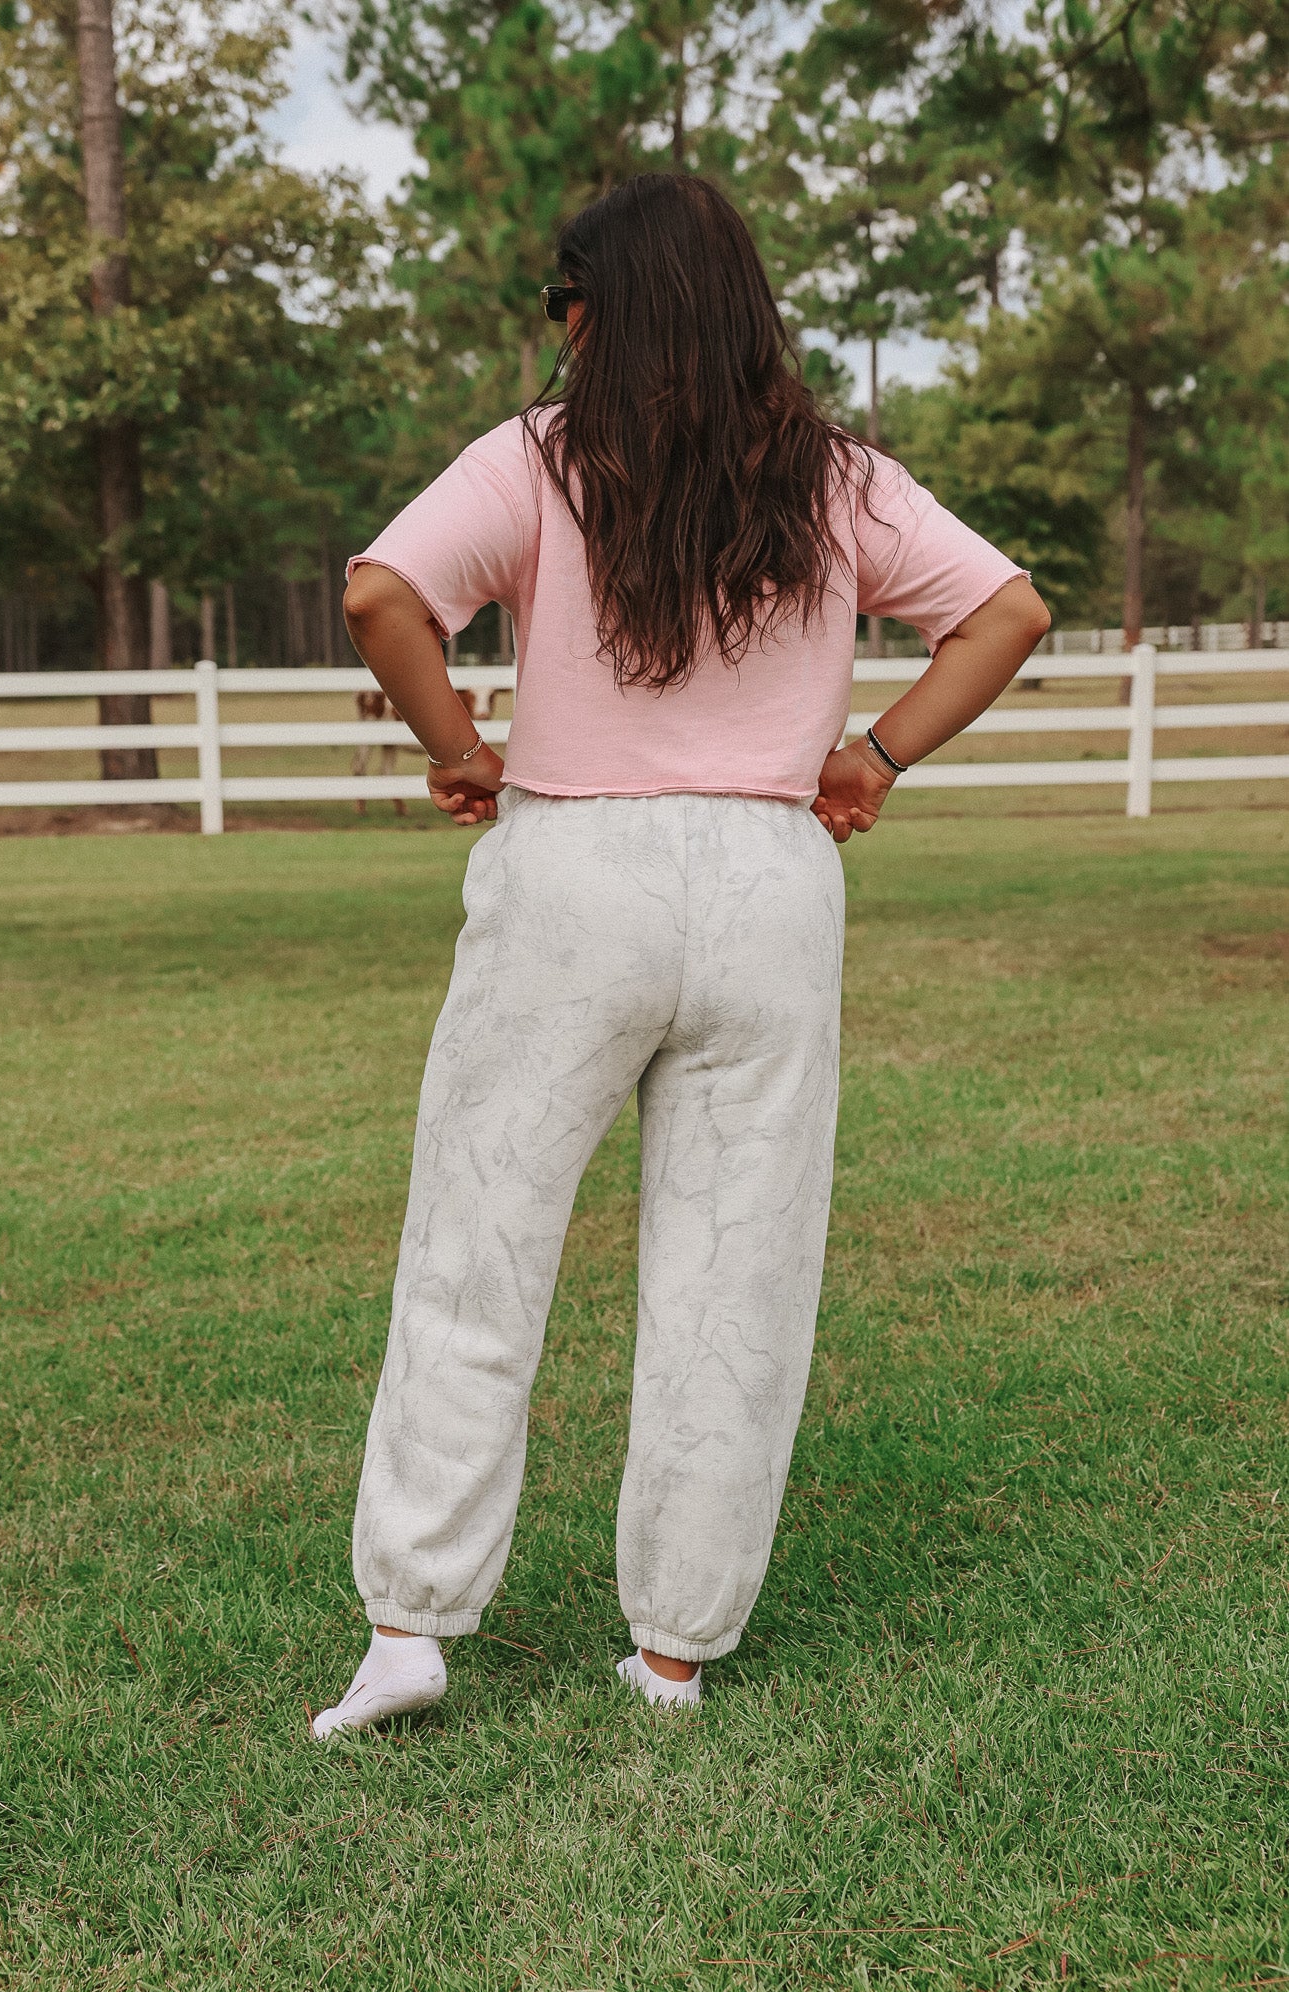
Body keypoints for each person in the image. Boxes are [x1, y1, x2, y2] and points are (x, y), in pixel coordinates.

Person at [313, 173, 1049, 1735]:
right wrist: (875, 758)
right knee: (737, 1268)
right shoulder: (835, 476)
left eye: (559, 303)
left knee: (478, 1243)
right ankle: (671, 1654)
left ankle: (409, 1630)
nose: (556, 331)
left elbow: (383, 592)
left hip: (573, 867)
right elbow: (1005, 610)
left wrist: (459, 746)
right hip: (770, 880)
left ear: (598, 305)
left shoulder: (540, 457)